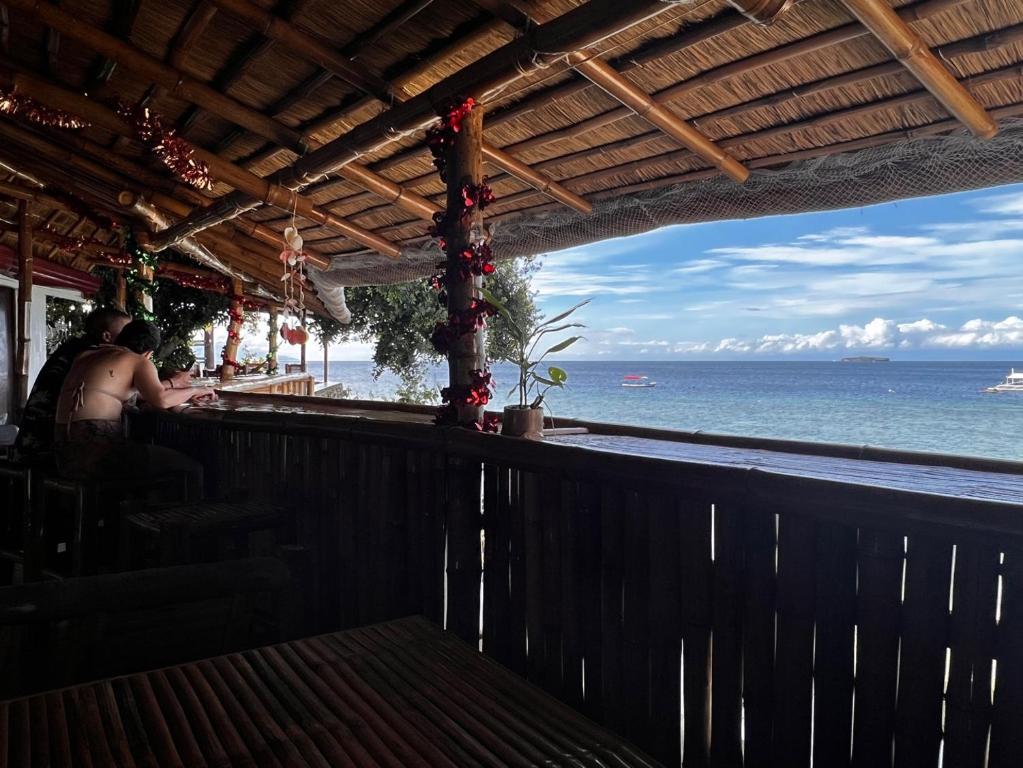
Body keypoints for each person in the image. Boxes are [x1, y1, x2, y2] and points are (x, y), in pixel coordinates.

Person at [53, 319, 212, 497]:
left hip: (63, 455)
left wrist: (174, 384)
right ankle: (167, 521)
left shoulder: (84, 356)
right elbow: (161, 400)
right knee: (191, 468)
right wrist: (197, 389)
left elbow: (136, 393)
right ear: (148, 354)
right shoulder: (138, 361)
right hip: (100, 455)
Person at [16, 307, 192, 462]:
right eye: (125, 330)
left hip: (49, 443)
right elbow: (145, 399)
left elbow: (116, 391)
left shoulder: (81, 351)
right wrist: (180, 387)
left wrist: (169, 384)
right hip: (47, 448)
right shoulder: (98, 354)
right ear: (107, 336)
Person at [15, 307, 130, 461]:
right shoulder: (94, 355)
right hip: (51, 448)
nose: (131, 335)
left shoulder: (76, 347)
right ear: (106, 336)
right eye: (126, 330)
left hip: (30, 445)